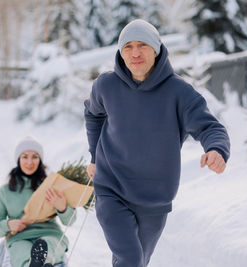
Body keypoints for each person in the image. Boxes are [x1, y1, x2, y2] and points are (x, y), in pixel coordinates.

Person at [84, 19, 230, 267]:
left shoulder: (179, 92)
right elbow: (93, 113)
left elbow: (210, 127)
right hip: (111, 188)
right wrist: (95, 157)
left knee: (137, 260)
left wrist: (216, 149)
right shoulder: (106, 85)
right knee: (130, 258)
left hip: (155, 199)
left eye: (142, 45)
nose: (135, 53)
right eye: (128, 46)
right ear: (121, 52)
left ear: (156, 49)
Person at [0, 136, 76, 267]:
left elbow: (71, 220)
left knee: (47, 246)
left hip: (50, 234)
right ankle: (34, 264)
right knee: (21, 253)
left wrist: (62, 207)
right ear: (18, 159)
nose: (30, 162)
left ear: (40, 160)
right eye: (25, 157)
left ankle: (42, 262)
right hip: (20, 237)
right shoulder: (6, 191)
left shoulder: (51, 185)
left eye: (35, 157)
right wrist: (8, 225)